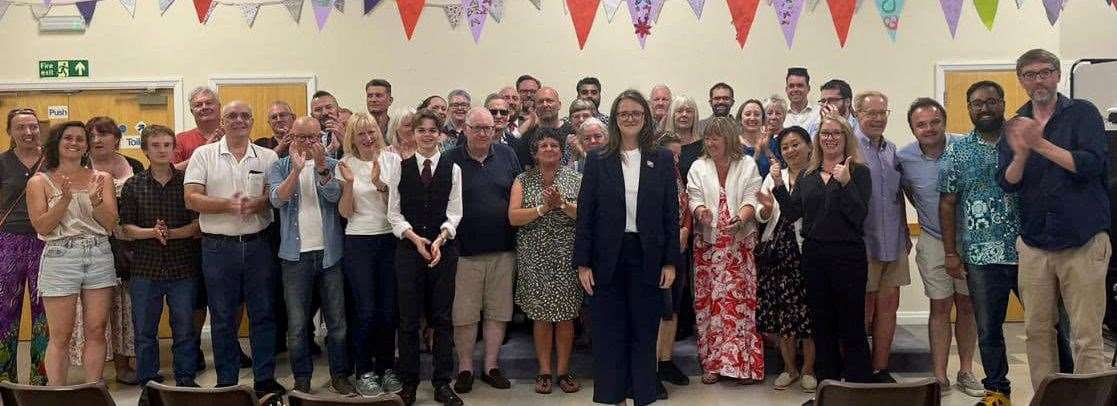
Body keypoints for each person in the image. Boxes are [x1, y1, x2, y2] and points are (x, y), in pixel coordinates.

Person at [942, 80, 1074, 405]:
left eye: (991, 101)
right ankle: (997, 392)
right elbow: (948, 202)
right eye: (977, 103)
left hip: (1031, 250)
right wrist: (950, 252)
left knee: (1049, 325)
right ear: (968, 108)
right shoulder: (957, 150)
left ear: (1002, 103)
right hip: (981, 256)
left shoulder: (1026, 139)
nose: (984, 108)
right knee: (988, 330)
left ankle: (1065, 390)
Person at [998, 48, 1111, 390]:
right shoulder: (1014, 122)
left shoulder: (1083, 113)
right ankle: (1045, 398)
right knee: (1036, 331)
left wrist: (1040, 144)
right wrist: (1020, 154)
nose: (1038, 80)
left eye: (1045, 72)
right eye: (1030, 75)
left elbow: (1090, 166)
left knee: (1086, 334)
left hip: (1083, 240)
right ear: (1021, 81)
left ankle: (1093, 399)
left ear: (1058, 75)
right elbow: (1006, 182)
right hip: (1035, 244)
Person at [574, 90, 679, 406]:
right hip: (607, 258)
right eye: (623, 114)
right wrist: (583, 263)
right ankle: (613, 398)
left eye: (636, 113)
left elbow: (669, 214)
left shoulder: (660, 158)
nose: (630, 118)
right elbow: (586, 214)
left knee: (644, 333)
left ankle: (643, 396)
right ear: (614, 119)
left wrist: (670, 262)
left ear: (645, 117)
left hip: (647, 256)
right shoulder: (598, 159)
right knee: (609, 335)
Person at [183, 101, 285, 396]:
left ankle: (264, 379)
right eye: (232, 116)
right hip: (218, 248)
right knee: (223, 316)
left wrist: (260, 203)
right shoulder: (203, 155)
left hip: (259, 246)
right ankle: (227, 382)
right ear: (222, 123)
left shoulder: (267, 157)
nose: (238, 120)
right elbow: (191, 198)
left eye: (244, 116)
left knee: (264, 314)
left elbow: (274, 195)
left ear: (252, 122)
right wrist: (229, 205)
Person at [770, 115, 875, 397]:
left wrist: (846, 183)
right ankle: (829, 391)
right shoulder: (808, 174)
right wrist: (779, 185)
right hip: (815, 256)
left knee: (851, 324)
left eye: (835, 132)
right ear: (818, 139)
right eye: (825, 133)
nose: (830, 137)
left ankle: (858, 389)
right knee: (822, 324)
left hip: (848, 255)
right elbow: (793, 213)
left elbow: (859, 216)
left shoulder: (859, 172)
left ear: (845, 136)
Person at [896, 98, 982, 396]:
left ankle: (967, 370)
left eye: (934, 122)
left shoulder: (965, 147)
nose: (929, 128)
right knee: (940, 306)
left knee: (968, 306)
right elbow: (908, 192)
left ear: (944, 122)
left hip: (970, 239)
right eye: (921, 124)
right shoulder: (904, 157)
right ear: (913, 129)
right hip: (932, 239)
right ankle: (939, 376)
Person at [25, 121, 118, 385]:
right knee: (61, 335)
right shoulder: (39, 181)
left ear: (87, 145)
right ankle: (58, 393)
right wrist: (64, 200)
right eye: (68, 138)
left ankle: (92, 388)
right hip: (60, 256)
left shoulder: (101, 178)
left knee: (97, 330)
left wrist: (96, 201)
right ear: (57, 142)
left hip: (99, 253)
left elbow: (110, 224)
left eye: (80, 139)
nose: (74, 143)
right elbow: (42, 225)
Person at [268, 116, 353, 395]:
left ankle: (339, 375)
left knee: (337, 322)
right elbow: (277, 199)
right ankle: (301, 379)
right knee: (297, 325)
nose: (308, 143)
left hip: (329, 254)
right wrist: (296, 170)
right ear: (292, 137)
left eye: (314, 137)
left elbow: (333, 198)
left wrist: (319, 167)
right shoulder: (279, 166)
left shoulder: (332, 165)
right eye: (302, 137)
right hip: (295, 257)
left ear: (322, 138)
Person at [387, 109, 464, 406]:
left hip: (443, 249)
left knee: (442, 319)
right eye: (422, 130)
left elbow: (456, 212)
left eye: (433, 130)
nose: (428, 134)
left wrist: (442, 238)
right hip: (409, 248)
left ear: (440, 134)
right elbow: (393, 213)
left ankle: (442, 382)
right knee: (408, 320)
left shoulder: (452, 167)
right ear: (413, 134)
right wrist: (414, 238)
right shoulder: (400, 168)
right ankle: (409, 383)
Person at [444, 107, 521, 394]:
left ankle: (491, 366)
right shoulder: (450, 158)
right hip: (463, 252)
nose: (482, 133)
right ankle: (465, 368)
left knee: (498, 312)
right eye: (476, 127)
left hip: (503, 250)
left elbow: (516, 193)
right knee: (464, 314)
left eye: (487, 128)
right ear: (464, 128)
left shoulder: (506, 154)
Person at [120, 125, 202, 395]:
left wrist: (171, 233)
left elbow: (197, 226)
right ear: (145, 150)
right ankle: (150, 384)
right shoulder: (134, 184)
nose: (162, 150)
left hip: (183, 267)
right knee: (144, 332)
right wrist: (152, 233)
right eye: (155, 145)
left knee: (185, 329)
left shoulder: (187, 183)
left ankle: (186, 380)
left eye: (167, 145)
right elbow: (127, 228)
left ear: (173, 148)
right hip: (145, 269)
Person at [687, 117, 764, 385]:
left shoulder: (747, 164)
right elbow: (694, 197)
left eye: (715, 138)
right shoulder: (698, 166)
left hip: (738, 247)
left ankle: (742, 366)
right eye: (707, 138)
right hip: (708, 249)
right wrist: (701, 211)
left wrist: (741, 219)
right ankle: (712, 365)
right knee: (710, 307)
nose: (710, 142)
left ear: (729, 138)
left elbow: (751, 199)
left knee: (738, 307)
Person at [510, 127, 582, 395]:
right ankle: (543, 371)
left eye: (554, 145)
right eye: (544, 146)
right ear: (535, 152)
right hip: (534, 256)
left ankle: (563, 370)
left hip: (566, 256)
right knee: (541, 316)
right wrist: (543, 208)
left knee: (565, 316)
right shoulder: (523, 179)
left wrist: (562, 204)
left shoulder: (575, 179)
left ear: (562, 151)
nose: (549, 149)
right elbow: (513, 217)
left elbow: (586, 215)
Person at [337, 113, 404, 397]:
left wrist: (380, 185)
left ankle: (387, 367)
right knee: (365, 310)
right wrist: (351, 184)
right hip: (359, 242)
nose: (367, 138)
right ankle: (364, 370)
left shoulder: (393, 161)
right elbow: (345, 212)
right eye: (361, 133)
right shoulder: (345, 165)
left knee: (389, 311)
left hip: (389, 239)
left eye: (372, 132)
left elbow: (399, 207)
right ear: (352, 137)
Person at [82, 116, 145, 385]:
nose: (97, 139)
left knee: (128, 308)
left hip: (131, 246)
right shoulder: (81, 167)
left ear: (116, 138)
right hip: (94, 245)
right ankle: (95, 372)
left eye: (103, 134)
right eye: (92, 135)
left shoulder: (134, 165)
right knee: (99, 312)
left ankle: (125, 365)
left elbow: (144, 200)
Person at [755, 126, 817, 394]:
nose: (791, 151)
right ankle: (789, 369)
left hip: (807, 252)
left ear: (808, 146)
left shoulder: (816, 175)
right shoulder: (772, 175)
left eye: (796, 144)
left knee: (808, 314)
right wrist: (765, 210)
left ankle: (808, 370)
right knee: (783, 315)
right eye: (785, 147)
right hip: (777, 253)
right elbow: (762, 211)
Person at [854, 91, 908, 382]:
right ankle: (859, 369)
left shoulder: (892, 150)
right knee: (861, 310)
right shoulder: (851, 149)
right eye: (870, 113)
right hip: (863, 243)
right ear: (857, 113)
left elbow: (896, 195)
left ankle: (880, 368)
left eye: (882, 112)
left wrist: (906, 232)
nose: (877, 118)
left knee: (889, 308)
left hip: (895, 241)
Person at [0, 108, 47, 385]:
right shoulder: (3, 162)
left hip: (46, 241)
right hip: (9, 242)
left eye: (33, 126)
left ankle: (40, 378)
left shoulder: (52, 159)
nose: (28, 132)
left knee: (45, 312)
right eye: (21, 128)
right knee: (5, 310)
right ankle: (6, 377)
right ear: (10, 132)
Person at [653, 133, 691, 395]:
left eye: (679, 154)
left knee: (673, 308)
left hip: (679, 249)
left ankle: (666, 361)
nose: (676, 159)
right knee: (658, 310)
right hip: (658, 252)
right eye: (671, 154)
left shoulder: (678, 176)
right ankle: (651, 369)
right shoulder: (653, 178)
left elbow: (685, 207)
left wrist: (686, 228)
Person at [515, 87, 572, 169]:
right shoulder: (527, 137)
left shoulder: (572, 132)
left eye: (549, 101)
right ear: (535, 107)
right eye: (540, 102)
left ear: (559, 105)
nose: (545, 104)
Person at [173, 87, 223, 171]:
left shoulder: (234, 136)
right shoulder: (180, 140)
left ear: (219, 106)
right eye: (198, 105)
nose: (204, 107)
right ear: (192, 111)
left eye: (209, 103)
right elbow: (170, 172)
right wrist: (203, 152)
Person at [663, 95, 703, 182]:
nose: (684, 114)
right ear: (672, 115)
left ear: (694, 116)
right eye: (679, 111)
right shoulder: (662, 145)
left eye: (689, 111)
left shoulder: (704, 146)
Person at [737, 99, 773, 178]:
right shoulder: (733, 144)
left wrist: (767, 150)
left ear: (763, 119)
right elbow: (738, 177)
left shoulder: (772, 142)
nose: (752, 118)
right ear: (740, 119)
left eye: (757, 114)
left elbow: (781, 171)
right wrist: (757, 153)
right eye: (747, 114)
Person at [310, 91, 345, 158]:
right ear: (312, 115)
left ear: (338, 110)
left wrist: (344, 140)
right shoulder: (306, 138)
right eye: (318, 109)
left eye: (329, 107)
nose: (324, 113)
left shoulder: (352, 132)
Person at [565, 99, 597, 168]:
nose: (581, 120)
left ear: (594, 118)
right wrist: (573, 155)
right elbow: (566, 175)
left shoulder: (600, 139)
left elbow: (599, 168)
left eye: (585, 116)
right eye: (576, 116)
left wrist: (581, 150)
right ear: (570, 120)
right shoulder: (570, 141)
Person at [763, 95, 789, 164]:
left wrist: (766, 148)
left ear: (784, 116)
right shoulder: (757, 136)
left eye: (778, 113)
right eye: (769, 113)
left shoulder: (789, 137)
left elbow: (784, 165)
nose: (773, 117)